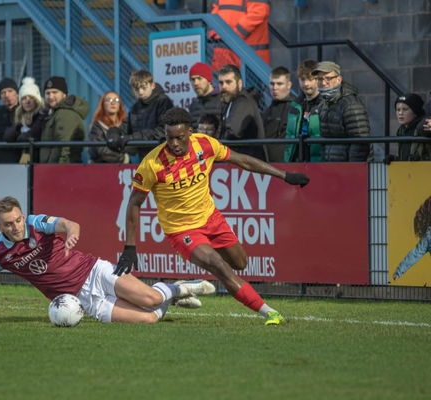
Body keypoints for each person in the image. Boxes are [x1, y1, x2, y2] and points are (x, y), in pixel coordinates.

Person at [115, 107, 310, 326]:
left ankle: (183, 287)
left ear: (190, 132)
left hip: (211, 218)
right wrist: (130, 247)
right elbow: (134, 202)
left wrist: (284, 175)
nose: (174, 144)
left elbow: (242, 160)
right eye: (169, 138)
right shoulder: (152, 163)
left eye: (179, 138)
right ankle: (270, 313)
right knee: (219, 266)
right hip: (181, 230)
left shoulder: (205, 144)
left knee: (240, 263)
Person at [0, 196, 215, 325]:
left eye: (17, 220)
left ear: (22, 216)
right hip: (80, 300)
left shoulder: (36, 223)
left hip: (94, 271)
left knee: (151, 300)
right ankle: (170, 296)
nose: (15, 227)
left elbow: (70, 224)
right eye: (8, 224)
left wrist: (71, 234)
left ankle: (177, 288)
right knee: (149, 319)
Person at [107, 70, 174, 159]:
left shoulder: (164, 102)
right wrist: (113, 133)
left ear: (152, 85)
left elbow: (162, 131)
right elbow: (125, 128)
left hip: (162, 156)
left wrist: (132, 138)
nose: (140, 92)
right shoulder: (135, 107)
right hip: (143, 158)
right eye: (136, 89)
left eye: (143, 87)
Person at [313, 61, 370, 161]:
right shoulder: (323, 103)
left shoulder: (351, 104)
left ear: (339, 79)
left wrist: (351, 168)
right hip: (331, 165)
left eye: (328, 78)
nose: (323, 82)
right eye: (319, 79)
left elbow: (360, 141)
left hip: (348, 168)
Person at [218, 64, 267, 160]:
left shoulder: (243, 101)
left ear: (239, 83)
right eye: (221, 83)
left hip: (250, 163)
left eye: (228, 82)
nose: (224, 86)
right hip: (241, 163)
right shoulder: (230, 102)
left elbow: (234, 131)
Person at [39, 76, 89, 163]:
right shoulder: (55, 113)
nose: (50, 96)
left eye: (55, 92)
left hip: (61, 170)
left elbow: (64, 146)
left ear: (64, 94)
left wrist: (58, 169)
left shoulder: (65, 113)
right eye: (47, 93)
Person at [209, 0, 271, 69]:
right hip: (225, 50)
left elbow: (258, 13)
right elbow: (216, 9)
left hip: (247, 53)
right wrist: (215, 31)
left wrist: (234, 35)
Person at [285, 59, 323, 162]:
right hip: (297, 161)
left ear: (317, 79)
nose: (306, 84)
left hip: (319, 164)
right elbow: (289, 137)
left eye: (310, 79)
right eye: (302, 79)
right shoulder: (294, 105)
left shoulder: (325, 105)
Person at [4, 77, 46, 163]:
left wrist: (21, 135)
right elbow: (7, 137)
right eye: (24, 98)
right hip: (24, 159)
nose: (27, 101)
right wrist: (19, 124)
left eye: (31, 98)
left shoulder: (42, 116)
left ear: (37, 100)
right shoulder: (20, 116)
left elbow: (25, 137)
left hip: (39, 162)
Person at [393, 196, 431, 282]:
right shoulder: (428, 236)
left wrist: (399, 271)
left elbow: (415, 254)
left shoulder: (428, 236)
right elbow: (415, 254)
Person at [261, 66, 295, 162]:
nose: (275, 88)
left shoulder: (296, 108)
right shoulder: (268, 109)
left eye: (279, 84)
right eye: (272, 84)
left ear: (288, 85)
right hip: (267, 165)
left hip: (286, 165)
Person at [88, 91, 129, 163]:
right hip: (101, 166)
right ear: (103, 104)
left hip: (123, 167)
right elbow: (101, 150)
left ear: (120, 104)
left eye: (116, 100)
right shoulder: (97, 125)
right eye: (108, 100)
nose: (113, 103)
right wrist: (122, 158)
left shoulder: (125, 123)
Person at [392, 93, 425, 161]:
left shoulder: (424, 128)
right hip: (407, 170)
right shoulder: (401, 130)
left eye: (405, 109)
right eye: (398, 110)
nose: (400, 113)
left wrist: (421, 159)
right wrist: (395, 159)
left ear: (415, 112)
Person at [187, 62, 220, 130]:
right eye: (193, 79)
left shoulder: (222, 100)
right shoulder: (194, 105)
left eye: (199, 78)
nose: (196, 83)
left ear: (209, 80)